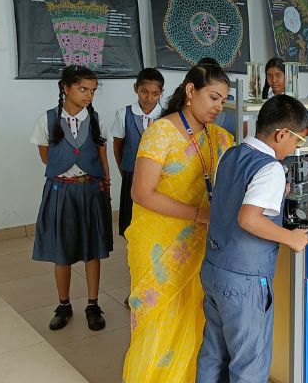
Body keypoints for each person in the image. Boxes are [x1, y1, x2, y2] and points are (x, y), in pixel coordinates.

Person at [123, 64, 234, 382]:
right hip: (159, 247)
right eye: (213, 97)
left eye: (223, 100)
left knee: (194, 320)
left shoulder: (220, 138)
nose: (218, 107)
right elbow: (141, 193)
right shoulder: (161, 132)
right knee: (158, 324)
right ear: (190, 91)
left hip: (202, 246)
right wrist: (200, 215)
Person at [196, 94, 308, 382]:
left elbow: (233, 193)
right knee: (249, 364)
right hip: (244, 281)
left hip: (214, 268)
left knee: (214, 354)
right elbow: (248, 218)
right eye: (298, 140)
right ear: (282, 134)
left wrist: (274, 192)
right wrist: (291, 238)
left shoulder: (232, 153)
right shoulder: (271, 168)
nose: (296, 147)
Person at [30, 65, 112, 332]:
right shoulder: (47, 120)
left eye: (93, 90)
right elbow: (47, 158)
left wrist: (106, 187)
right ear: (65, 88)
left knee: (92, 249)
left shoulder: (96, 119)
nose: (89, 95)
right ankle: (63, 305)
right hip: (61, 190)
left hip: (91, 190)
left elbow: (103, 159)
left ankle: (93, 305)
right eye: (83, 89)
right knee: (62, 251)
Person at [112, 68, 165, 237]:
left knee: (155, 221)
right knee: (132, 221)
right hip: (131, 174)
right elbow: (118, 146)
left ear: (161, 93)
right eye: (144, 92)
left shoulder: (166, 115)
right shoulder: (123, 114)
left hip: (160, 177)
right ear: (136, 88)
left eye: (155, 94)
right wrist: (125, 170)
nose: (149, 98)